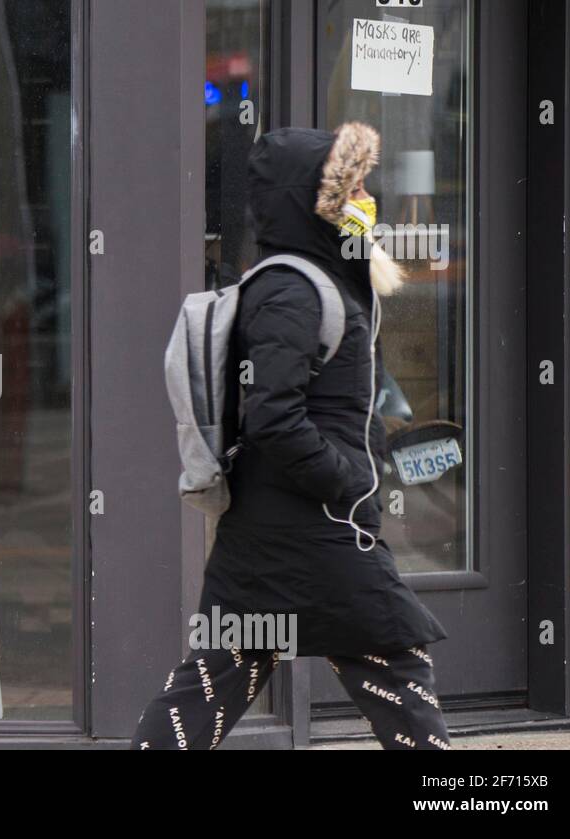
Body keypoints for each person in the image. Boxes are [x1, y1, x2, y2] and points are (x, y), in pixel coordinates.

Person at [132, 123, 451, 751]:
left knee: (218, 676)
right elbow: (273, 416)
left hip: (278, 528)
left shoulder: (315, 278)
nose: (365, 197)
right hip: (314, 527)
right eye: (351, 187)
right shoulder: (291, 288)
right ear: (316, 200)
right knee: (392, 652)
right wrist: (347, 478)